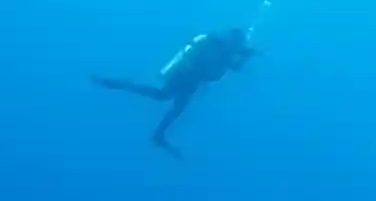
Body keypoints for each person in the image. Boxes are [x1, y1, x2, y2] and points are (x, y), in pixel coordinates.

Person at [92, 28, 255, 156]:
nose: (234, 45)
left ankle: (158, 134)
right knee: (162, 96)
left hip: (192, 82)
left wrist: (246, 57)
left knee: (176, 107)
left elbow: (232, 68)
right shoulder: (212, 43)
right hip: (183, 74)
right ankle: (121, 85)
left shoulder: (226, 54)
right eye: (235, 42)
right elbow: (200, 60)